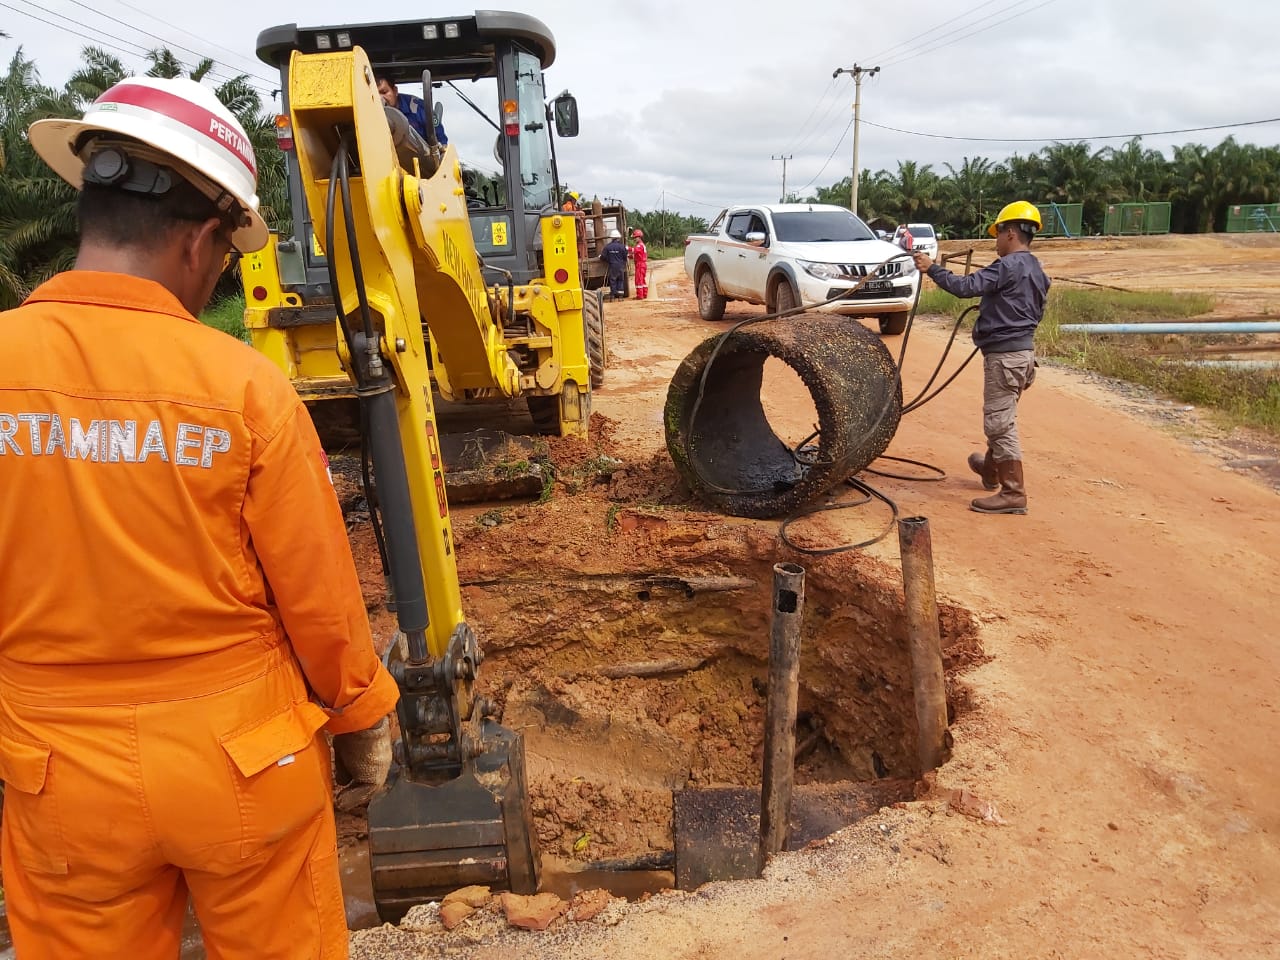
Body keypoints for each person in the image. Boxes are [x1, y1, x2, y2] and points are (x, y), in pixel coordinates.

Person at [2, 76, 400, 958]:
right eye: (227, 251)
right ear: (199, 239)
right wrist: (363, 714)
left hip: (59, 775)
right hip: (242, 762)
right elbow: (319, 594)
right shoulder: (244, 388)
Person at [912, 200, 1050, 515]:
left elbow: (965, 286)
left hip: (1006, 358)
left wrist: (931, 267)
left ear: (1011, 233)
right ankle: (990, 471)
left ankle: (1013, 493)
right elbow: (1033, 309)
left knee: (999, 423)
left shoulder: (1007, 266)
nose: (996, 241)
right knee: (1003, 416)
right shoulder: (1036, 269)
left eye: (998, 234)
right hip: (1024, 356)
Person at [377, 75, 448, 145]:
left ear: (395, 91)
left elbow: (442, 143)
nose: (380, 98)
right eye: (376, 94)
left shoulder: (420, 108)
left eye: (384, 92)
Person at [600, 228, 628, 299]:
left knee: (613, 280)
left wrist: (608, 260)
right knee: (620, 280)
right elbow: (625, 256)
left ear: (611, 238)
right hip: (620, 265)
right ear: (618, 238)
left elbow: (603, 256)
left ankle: (613, 295)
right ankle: (620, 296)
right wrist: (623, 262)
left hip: (612, 265)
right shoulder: (622, 246)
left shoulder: (607, 247)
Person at [629, 227, 649, 300]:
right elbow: (636, 254)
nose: (634, 239)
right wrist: (629, 256)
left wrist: (626, 248)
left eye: (635, 237)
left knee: (639, 280)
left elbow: (634, 250)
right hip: (641, 264)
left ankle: (640, 295)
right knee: (642, 280)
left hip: (640, 264)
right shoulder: (640, 245)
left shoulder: (639, 245)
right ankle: (644, 294)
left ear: (639, 237)